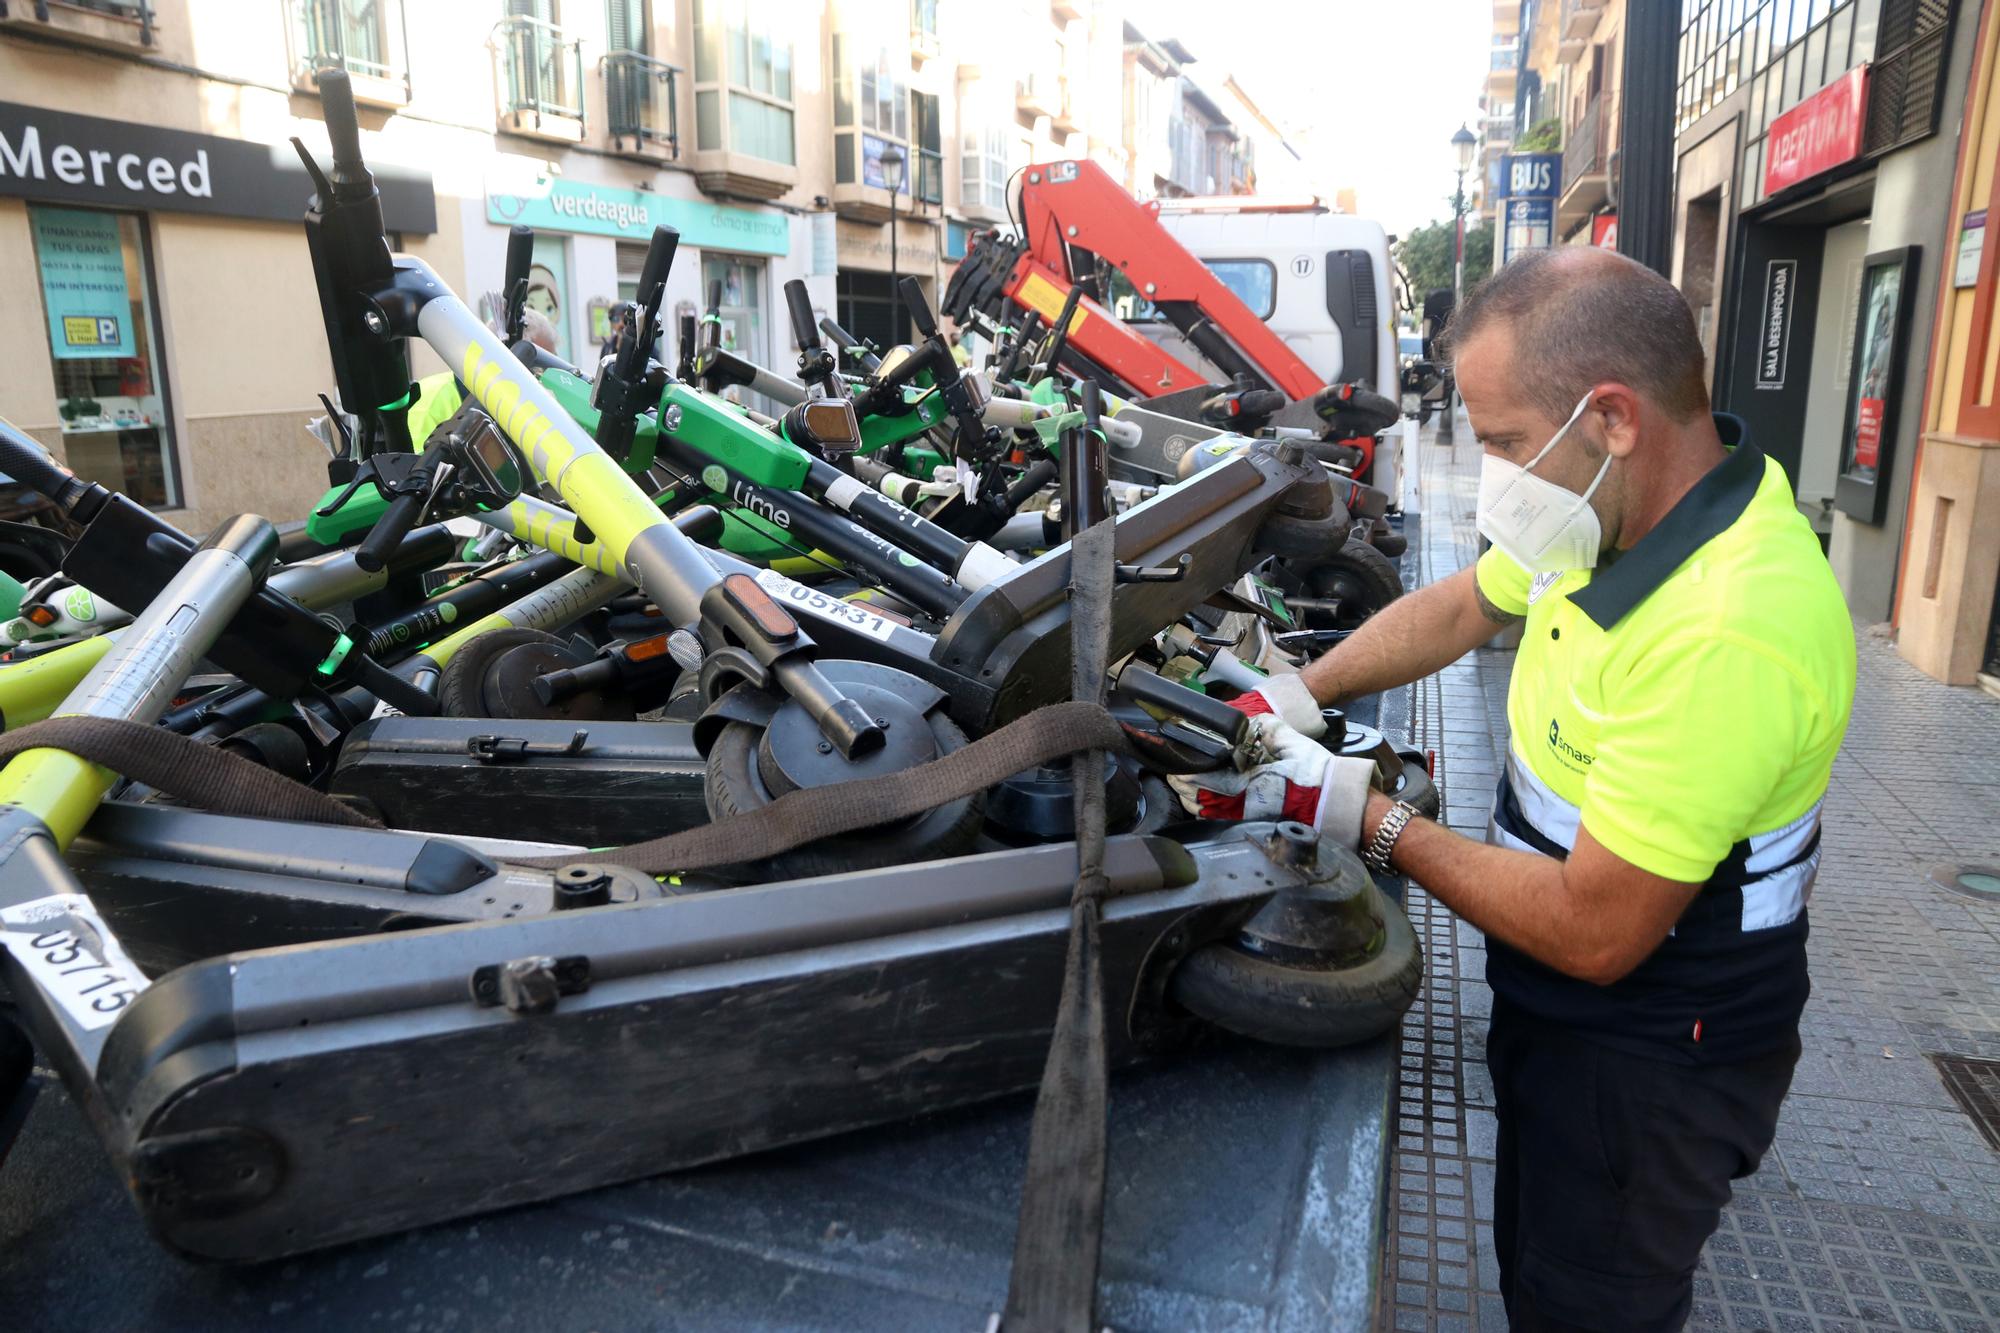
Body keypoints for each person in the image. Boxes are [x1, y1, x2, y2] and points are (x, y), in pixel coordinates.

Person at [1175, 247, 1855, 1330]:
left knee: (1582, 1299)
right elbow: (1458, 608)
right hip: (1565, 1008)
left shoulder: (1728, 627)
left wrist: (1362, 813)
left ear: (1612, 419)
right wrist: (1293, 695)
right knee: (1533, 1254)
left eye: (1497, 440)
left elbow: (1594, 930)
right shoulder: (1607, 513)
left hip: (1649, 1053)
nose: (1489, 468)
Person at [406, 307, 559, 446]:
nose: (548, 382)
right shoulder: (430, 401)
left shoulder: (532, 415)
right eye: (540, 370)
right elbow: (412, 471)